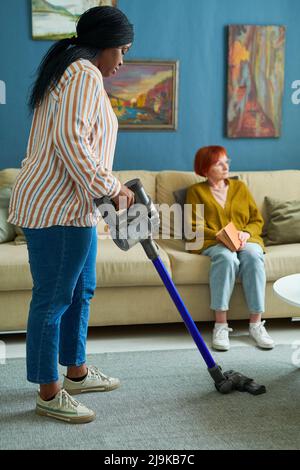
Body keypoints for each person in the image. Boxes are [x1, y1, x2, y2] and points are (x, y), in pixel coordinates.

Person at [7, 6, 135, 424]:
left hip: (72, 207)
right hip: (56, 207)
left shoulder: (72, 69)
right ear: (106, 46)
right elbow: (70, 139)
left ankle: (76, 372)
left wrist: (103, 189)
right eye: (122, 52)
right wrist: (110, 186)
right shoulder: (82, 72)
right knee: (54, 299)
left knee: (81, 291)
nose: (122, 62)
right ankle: (49, 391)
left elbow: (75, 141)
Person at [185, 146, 274, 352]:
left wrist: (245, 234)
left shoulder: (240, 187)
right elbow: (192, 226)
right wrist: (220, 235)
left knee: (253, 255)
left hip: (245, 239)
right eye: (219, 163)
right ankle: (221, 325)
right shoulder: (195, 191)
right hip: (212, 242)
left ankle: (256, 324)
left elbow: (256, 220)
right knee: (227, 258)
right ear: (205, 168)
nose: (226, 166)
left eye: (227, 161)